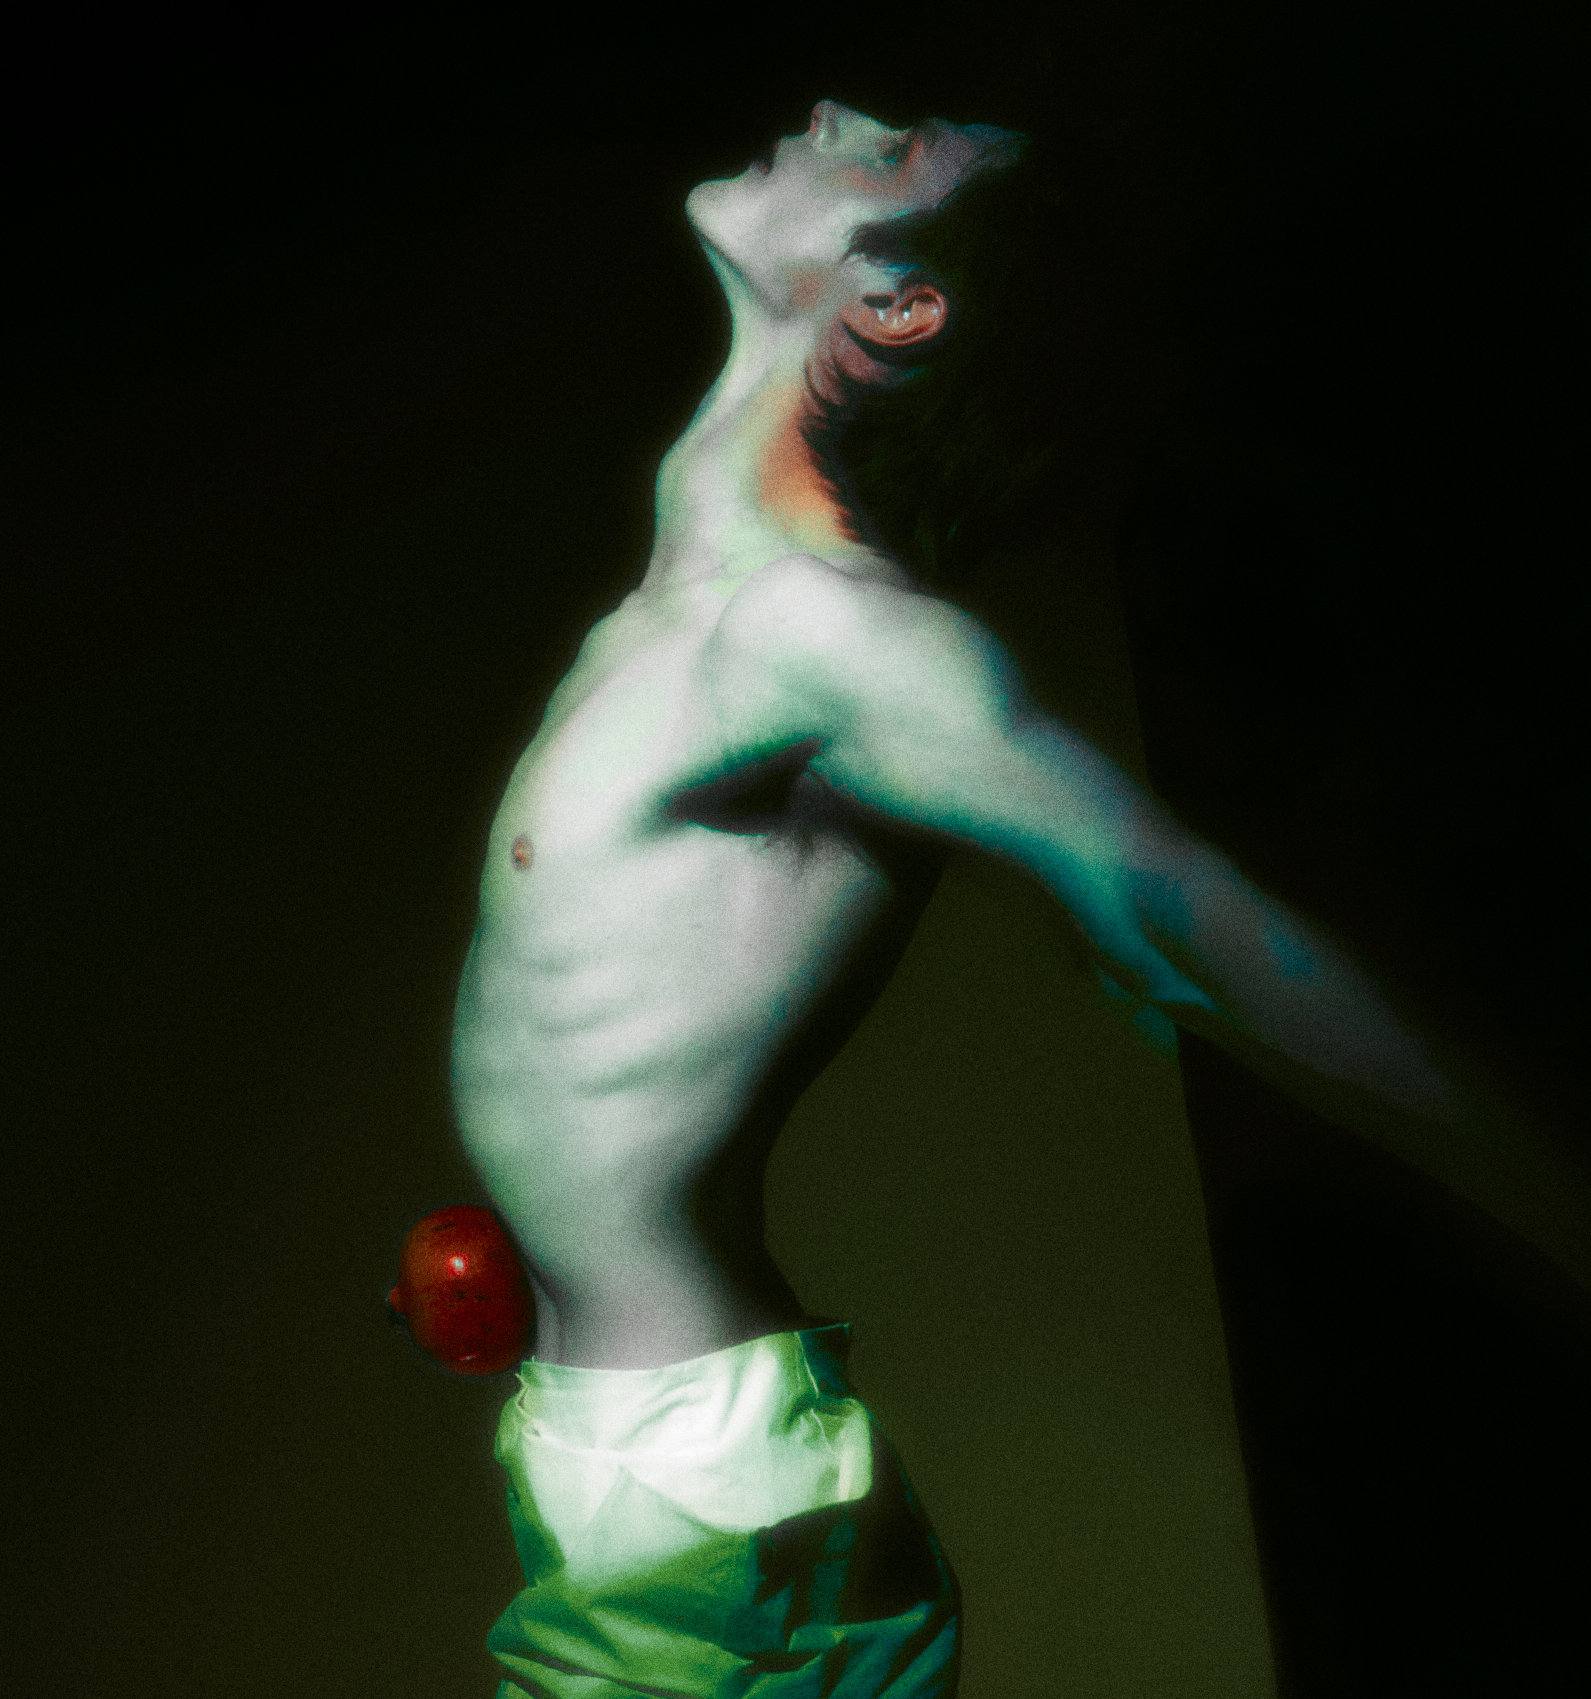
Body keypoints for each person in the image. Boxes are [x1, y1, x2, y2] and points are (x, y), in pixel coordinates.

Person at [448, 100, 1493, 1697]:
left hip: (698, 1510)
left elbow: (1186, 920)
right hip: (640, 1466)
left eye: (887, 153)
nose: (833, 110)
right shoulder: (695, 614)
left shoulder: (822, 636)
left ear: (898, 305)